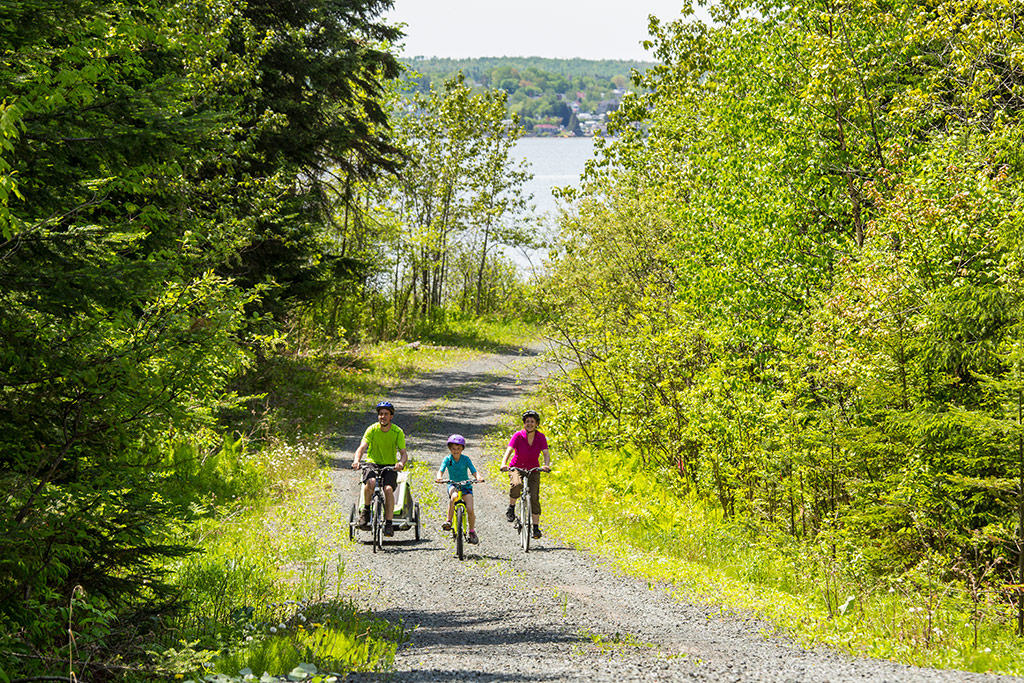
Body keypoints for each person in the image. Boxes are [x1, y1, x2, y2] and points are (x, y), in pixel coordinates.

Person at [351, 401, 408, 536]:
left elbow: (403, 453)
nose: (383, 417)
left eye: (386, 414)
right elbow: (362, 447)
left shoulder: (397, 432)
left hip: (389, 465)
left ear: (391, 416)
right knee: (370, 483)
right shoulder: (372, 429)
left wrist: (401, 463)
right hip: (372, 463)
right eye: (381, 414)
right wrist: (356, 461)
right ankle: (365, 511)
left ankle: (388, 523)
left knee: (388, 490)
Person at [499, 410, 550, 539]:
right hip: (517, 467)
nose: (529, 424)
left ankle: (535, 528)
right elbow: (509, 450)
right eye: (527, 421)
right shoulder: (518, 435)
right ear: (524, 424)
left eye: (532, 421)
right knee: (516, 484)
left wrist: (546, 465)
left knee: (534, 498)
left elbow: (545, 453)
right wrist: (504, 463)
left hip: (534, 469)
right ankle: (511, 507)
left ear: (536, 423)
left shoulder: (541, 437)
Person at [435, 434, 485, 544]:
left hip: (466, 485)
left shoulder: (466, 459)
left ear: (462, 449)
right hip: (453, 484)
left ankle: (471, 531)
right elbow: (441, 470)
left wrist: (478, 477)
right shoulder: (448, 459)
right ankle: (449, 520)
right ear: (450, 449)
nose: (456, 451)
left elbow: (473, 471)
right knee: (454, 497)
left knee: (470, 509)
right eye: (453, 449)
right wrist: (439, 477)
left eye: (458, 448)